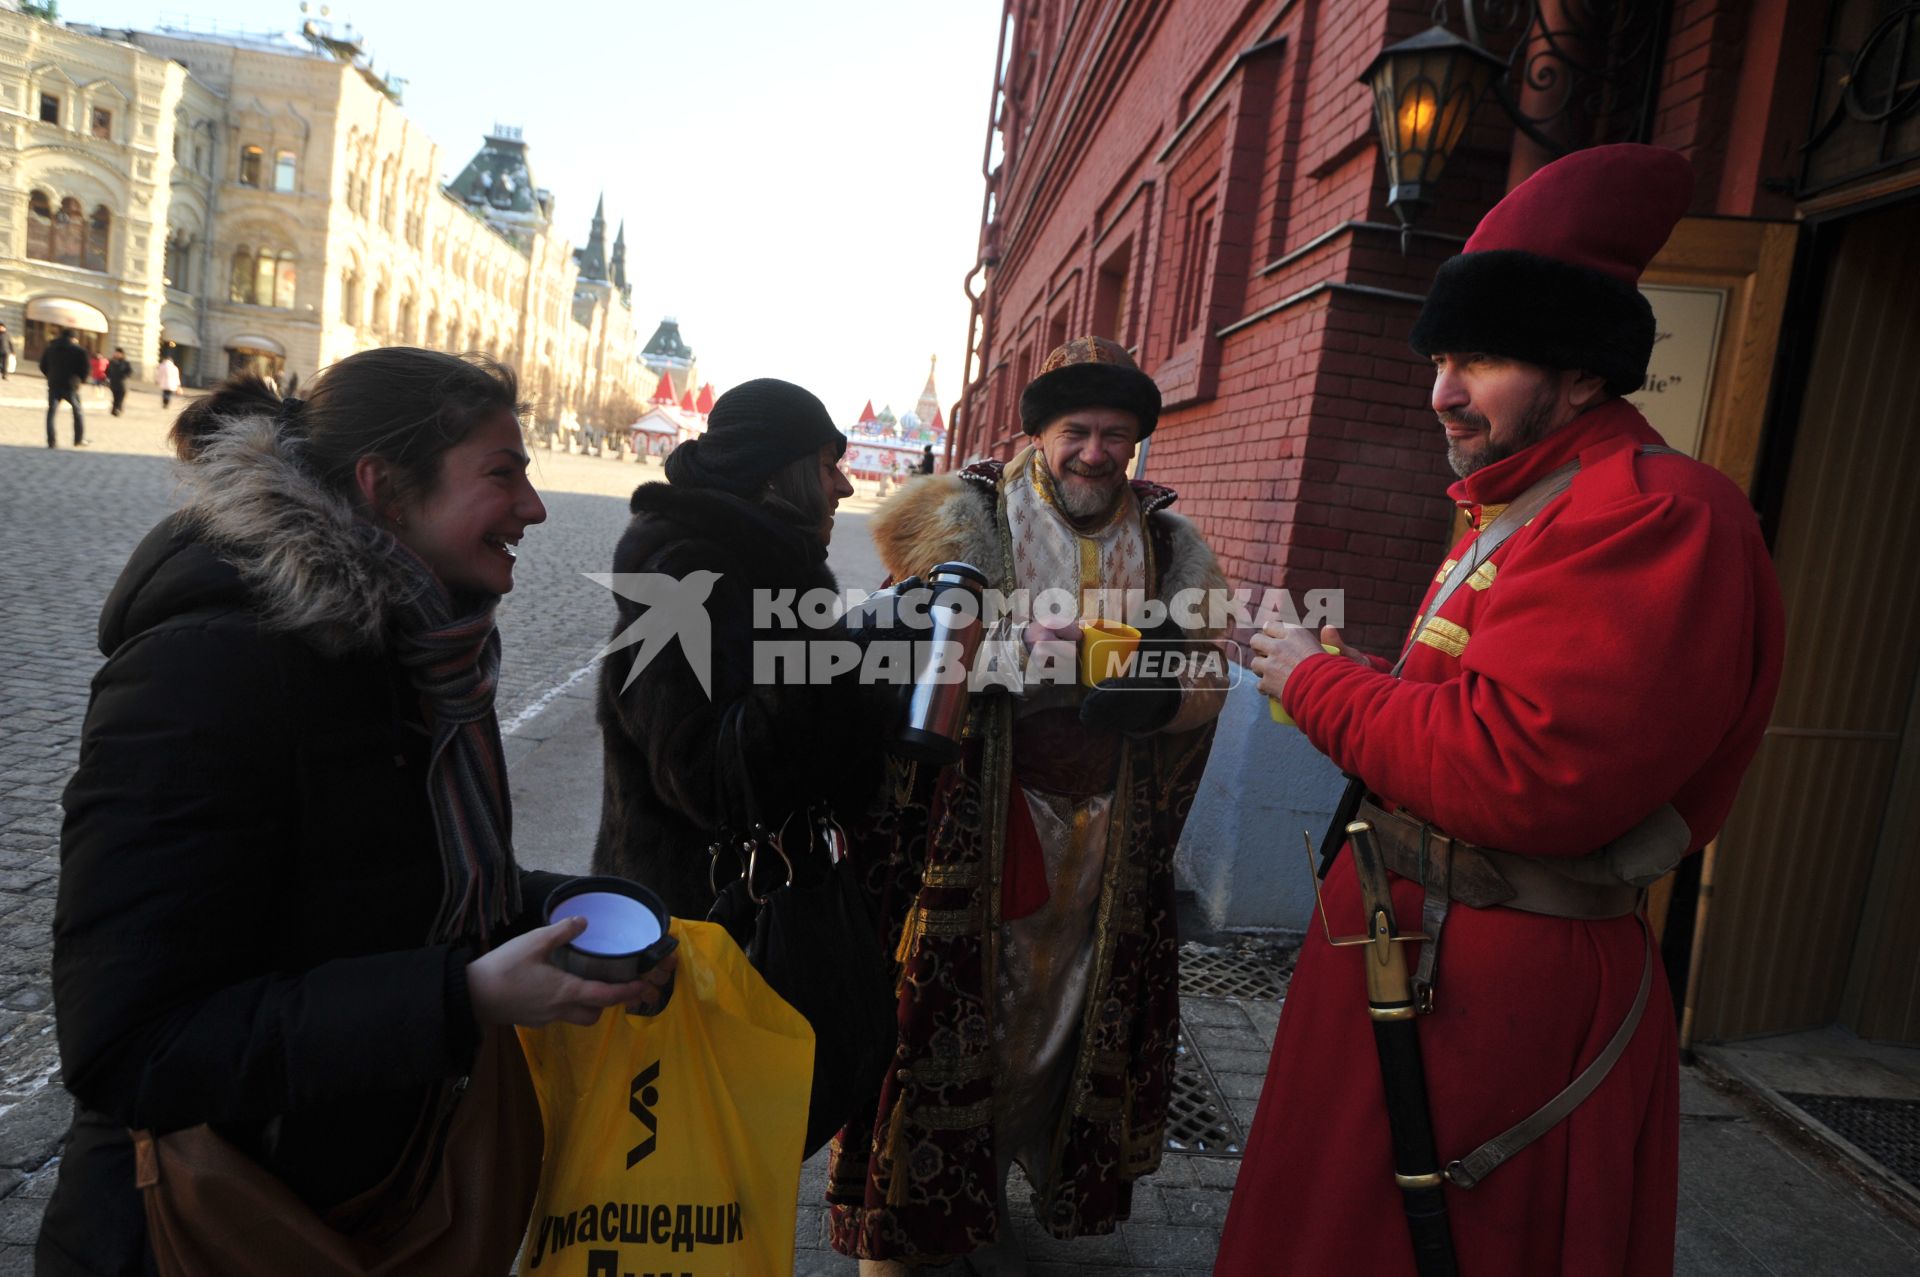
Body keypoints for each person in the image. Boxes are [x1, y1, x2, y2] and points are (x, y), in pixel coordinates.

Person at [1217, 146, 1785, 1276]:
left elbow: (1513, 772)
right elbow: (1470, 706)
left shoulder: (1656, 514)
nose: (1440, 390)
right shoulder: (1536, 500)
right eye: (1440, 357)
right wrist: (1337, 666)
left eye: (1476, 358)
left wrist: (1309, 680)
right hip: (1416, 955)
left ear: (1579, 371)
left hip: (1491, 1001)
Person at [40, 348, 676, 1276]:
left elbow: (391, 889)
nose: (535, 508)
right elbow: (129, 1046)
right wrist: (462, 998)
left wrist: (554, 909)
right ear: (384, 489)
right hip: (199, 1228)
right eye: (503, 475)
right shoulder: (205, 672)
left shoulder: (426, 650)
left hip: (376, 1199)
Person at [831, 337, 1228, 1273]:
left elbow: (1210, 671)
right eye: (1077, 432)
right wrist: (1020, 652)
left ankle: (989, 1192)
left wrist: (1163, 696)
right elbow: (901, 657)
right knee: (946, 1022)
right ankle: (901, 1228)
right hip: (980, 828)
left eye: (1117, 438)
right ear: (1041, 434)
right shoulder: (970, 517)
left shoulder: (1172, 543)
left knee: (1062, 1032)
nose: (1097, 453)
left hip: (1105, 842)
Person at [592, 377, 893, 919]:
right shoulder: (686, 575)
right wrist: (834, 656)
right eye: (828, 465)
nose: (844, 487)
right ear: (777, 477)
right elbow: (706, 782)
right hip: (694, 926)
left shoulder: (775, 570)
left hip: (760, 910)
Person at [39, 327, 89, 448]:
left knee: (51, 412)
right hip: (71, 386)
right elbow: (85, 370)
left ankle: (51, 441)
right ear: (74, 338)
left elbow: (42, 365)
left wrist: (50, 376)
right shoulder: (79, 351)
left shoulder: (50, 348)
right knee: (77, 412)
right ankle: (78, 439)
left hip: (54, 384)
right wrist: (81, 380)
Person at [105, 347, 132, 416]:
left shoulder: (126, 363)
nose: (116, 354)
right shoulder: (111, 362)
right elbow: (107, 371)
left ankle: (118, 410)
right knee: (115, 398)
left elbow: (129, 372)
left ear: (122, 354)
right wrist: (108, 377)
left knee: (120, 398)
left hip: (122, 384)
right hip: (114, 384)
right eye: (116, 353)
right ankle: (115, 409)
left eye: (118, 353)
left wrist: (123, 376)